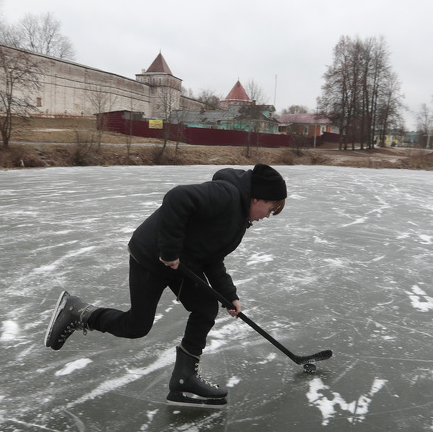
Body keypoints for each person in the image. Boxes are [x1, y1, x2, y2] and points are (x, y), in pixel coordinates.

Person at [44, 164, 288, 407]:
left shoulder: (238, 219)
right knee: (136, 326)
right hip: (151, 255)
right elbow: (178, 197)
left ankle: (184, 379)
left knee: (205, 308)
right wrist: (169, 250)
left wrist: (229, 295)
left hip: (180, 265)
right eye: (270, 208)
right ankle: (78, 312)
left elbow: (212, 258)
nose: (267, 215)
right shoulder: (226, 194)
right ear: (256, 198)